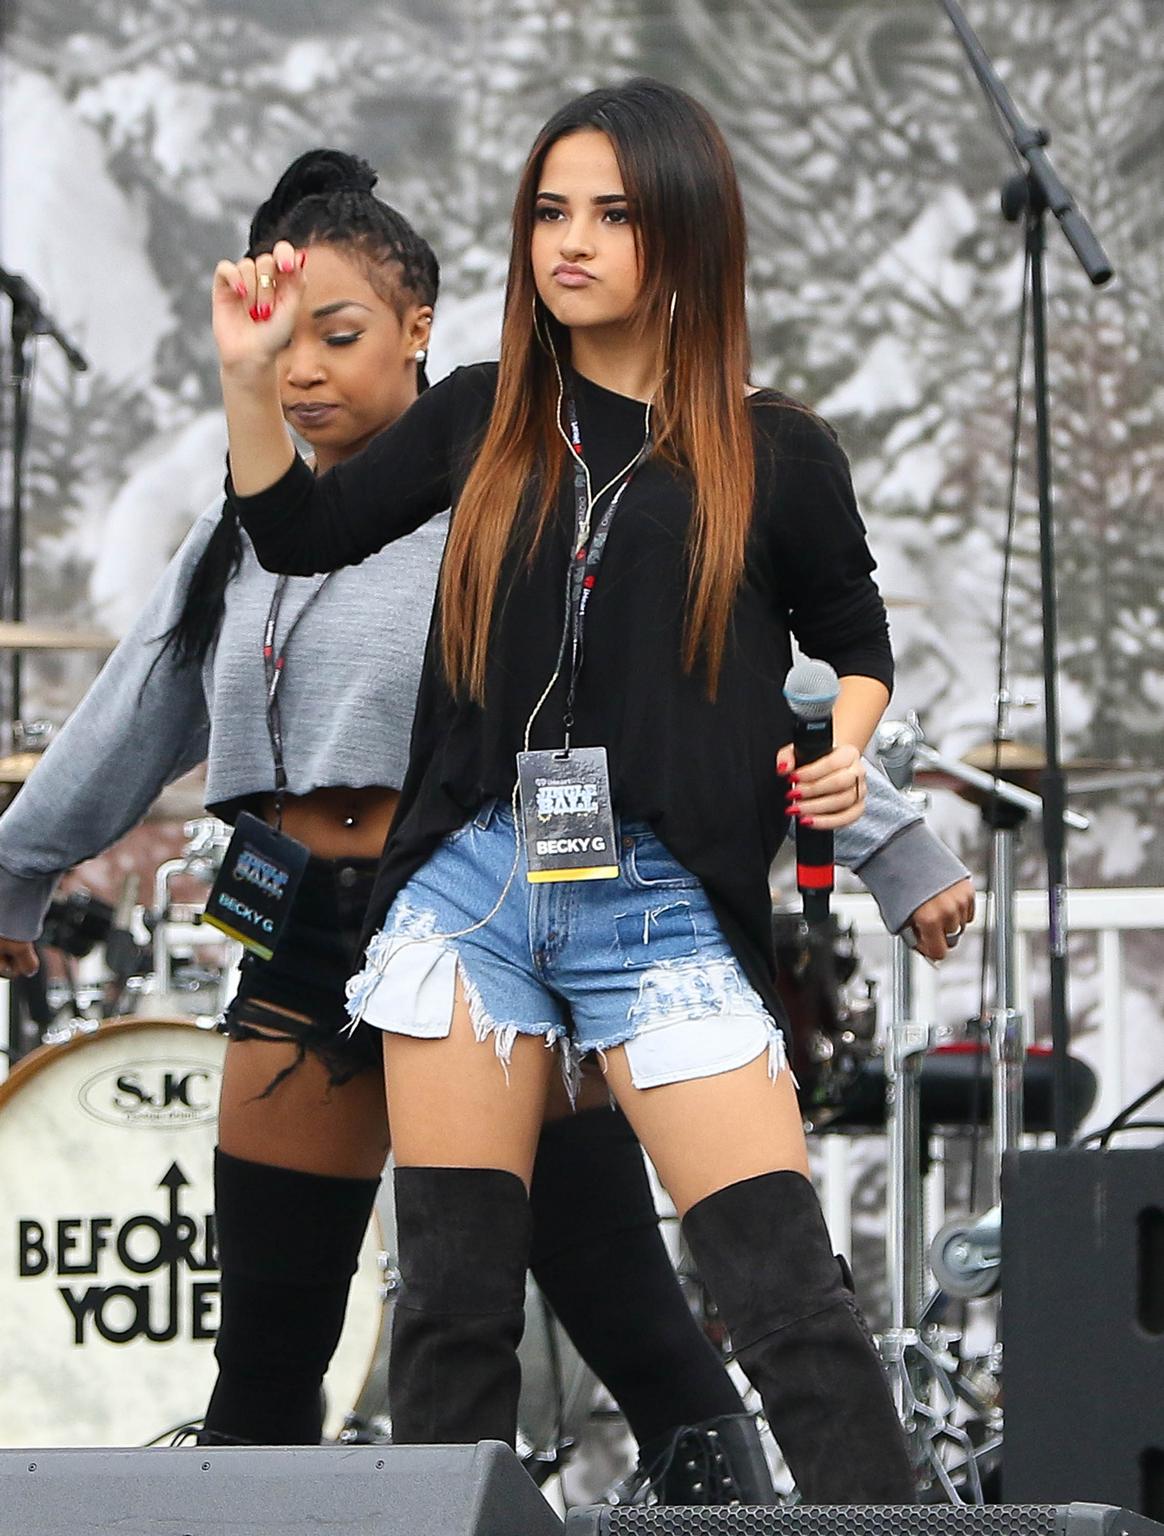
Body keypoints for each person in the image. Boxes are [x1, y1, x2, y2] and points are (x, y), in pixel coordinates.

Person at [0, 146, 970, 1495]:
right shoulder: (236, 531)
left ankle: (749, 1514)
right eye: (280, 342)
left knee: (626, 1311)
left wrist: (893, 839)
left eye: (337, 335)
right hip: (300, 930)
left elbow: (737, 675)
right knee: (276, 1344)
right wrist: (19, 869)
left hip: (503, 913)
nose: (303, 371)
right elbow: (130, 710)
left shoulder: (506, 466)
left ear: (417, 334)